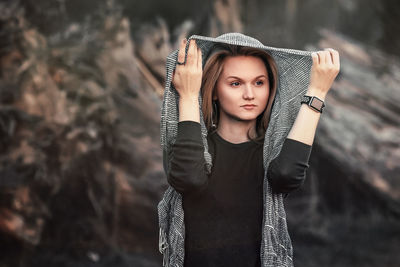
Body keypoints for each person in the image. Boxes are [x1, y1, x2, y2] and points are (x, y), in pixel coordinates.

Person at [158, 33, 340, 267]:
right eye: (235, 83)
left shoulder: (272, 153)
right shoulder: (193, 144)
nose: (249, 94)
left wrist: (317, 92)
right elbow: (189, 179)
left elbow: (286, 176)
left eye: (259, 82)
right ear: (214, 90)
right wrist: (188, 95)